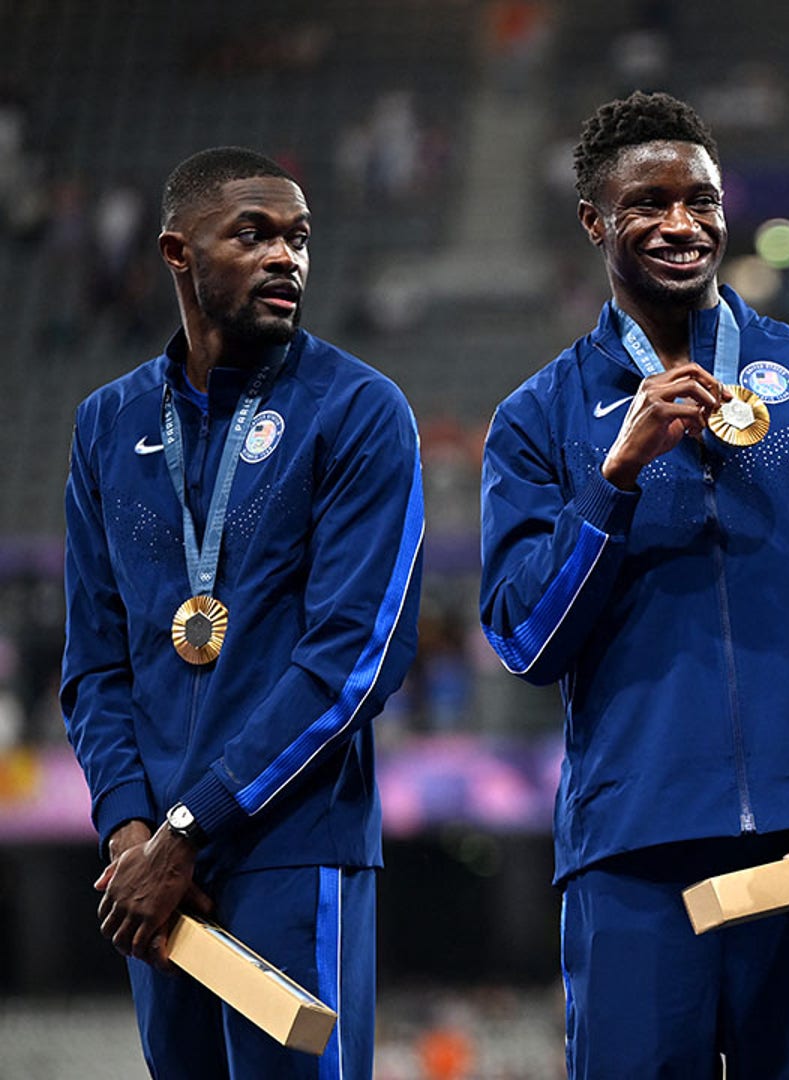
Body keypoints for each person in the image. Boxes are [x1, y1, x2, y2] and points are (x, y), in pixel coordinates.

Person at [478, 91, 789, 1078]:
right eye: (649, 203)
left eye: (702, 199)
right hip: (634, 860)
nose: (683, 224)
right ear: (594, 220)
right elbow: (526, 645)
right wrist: (614, 479)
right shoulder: (538, 419)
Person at [62, 146, 423, 1078]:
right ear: (178, 253)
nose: (285, 258)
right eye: (253, 234)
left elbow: (353, 661)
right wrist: (132, 829)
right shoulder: (107, 423)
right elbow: (96, 664)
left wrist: (192, 828)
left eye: (299, 239)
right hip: (152, 877)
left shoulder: (359, 410)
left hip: (290, 843)